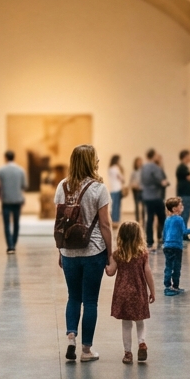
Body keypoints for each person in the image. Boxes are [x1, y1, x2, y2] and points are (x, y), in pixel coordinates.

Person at [56, 144, 115, 364]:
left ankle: (71, 336)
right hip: (93, 250)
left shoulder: (62, 186)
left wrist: (60, 251)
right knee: (90, 301)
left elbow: (60, 223)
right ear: (92, 162)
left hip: (69, 250)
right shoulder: (99, 188)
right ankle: (86, 350)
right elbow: (105, 225)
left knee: (73, 297)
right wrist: (111, 254)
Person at [107, 221, 154, 364]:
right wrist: (152, 291)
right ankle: (142, 342)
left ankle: (128, 353)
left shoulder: (117, 254)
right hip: (138, 291)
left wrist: (106, 261)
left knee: (126, 324)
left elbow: (110, 272)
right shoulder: (143, 254)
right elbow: (148, 272)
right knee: (140, 320)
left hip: (122, 293)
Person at [161, 197, 190, 296]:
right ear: (175, 208)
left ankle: (167, 286)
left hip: (167, 246)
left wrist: (165, 243)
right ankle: (175, 286)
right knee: (176, 267)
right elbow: (184, 232)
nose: (182, 207)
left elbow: (164, 233)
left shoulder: (167, 219)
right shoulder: (179, 219)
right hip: (176, 246)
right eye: (180, 206)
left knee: (168, 266)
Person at [0, 150, 28, 252]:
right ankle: (14, 243)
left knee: (6, 223)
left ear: (5, 158)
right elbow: (24, 185)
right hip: (17, 200)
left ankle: (10, 245)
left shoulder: (0, 171)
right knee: (16, 223)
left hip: (5, 200)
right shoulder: (20, 170)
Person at [140, 149, 169, 248]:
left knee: (149, 218)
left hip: (146, 196)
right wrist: (165, 183)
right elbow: (161, 181)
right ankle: (164, 237)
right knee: (162, 218)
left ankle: (149, 240)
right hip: (155, 196)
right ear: (153, 156)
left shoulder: (143, 167)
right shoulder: (155, 167)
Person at [176, 149, 190, 241]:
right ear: (185, 157)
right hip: (185, 194)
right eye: (189, 156)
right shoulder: (183, 168)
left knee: (184, 214)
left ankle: (183, 234)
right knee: (185, 214)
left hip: (184, 193)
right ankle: (183, 234)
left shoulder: (181, 167)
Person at [107, 154, 125, 225]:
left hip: (112, 188)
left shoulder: (110, 168)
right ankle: (116, 219)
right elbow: (122, 178)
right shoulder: (116, 168)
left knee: (113, 205)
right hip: (117, 188)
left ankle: (113, 219)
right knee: (117, 205)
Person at [128, 157, 143, 222]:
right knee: (136, 205)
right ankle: (137, 219)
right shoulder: (134, 172)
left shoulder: (143, 171)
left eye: (140, 162)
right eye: (138, 162)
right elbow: (130, 182)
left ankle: (143, 219)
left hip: (142, 190)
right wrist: (134, 185)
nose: (139, 163)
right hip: (136, 190)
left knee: (143, 206)